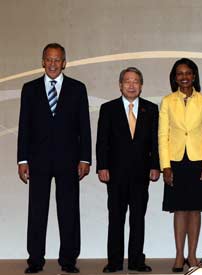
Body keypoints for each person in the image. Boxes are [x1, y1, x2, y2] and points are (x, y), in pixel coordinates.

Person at [17, 43, 91, 274]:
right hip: (37, 161)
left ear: (64, 62)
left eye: (57, 59)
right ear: (42, 61)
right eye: (49, 59)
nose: (52, 63)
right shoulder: (29, 89)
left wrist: (85, 159)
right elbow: (24, 127)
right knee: (37, 210)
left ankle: (68, 260)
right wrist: (22, 160)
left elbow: (84, 127)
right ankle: (35, 260)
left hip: (69, 160)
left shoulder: (77, 88)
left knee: (69, 210)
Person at [96, 67, 160, 273]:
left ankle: (136, 261)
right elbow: (102, 141)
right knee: (116, 218)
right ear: (120, 85)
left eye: (136, 81)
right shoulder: (108, 109)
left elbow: (155, 142)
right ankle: (114, 262)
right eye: (127, 81)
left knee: (137, 218)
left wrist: (155, 166)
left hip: (142, 174)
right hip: (115, 174)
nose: (131, 85)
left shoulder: (150, 109)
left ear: (141, 86)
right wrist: (102, 166)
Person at [159, 58, 202, 272]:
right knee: (179, 209)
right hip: (174, 160)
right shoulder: (167, 101)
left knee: (195, 210)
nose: (184, 77)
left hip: (198, 160)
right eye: (179, 73)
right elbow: (162, 134)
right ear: (175, 77)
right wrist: (165, 165)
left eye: (188, 73)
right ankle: (179, 255)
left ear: (194, 76)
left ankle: (192, 256)